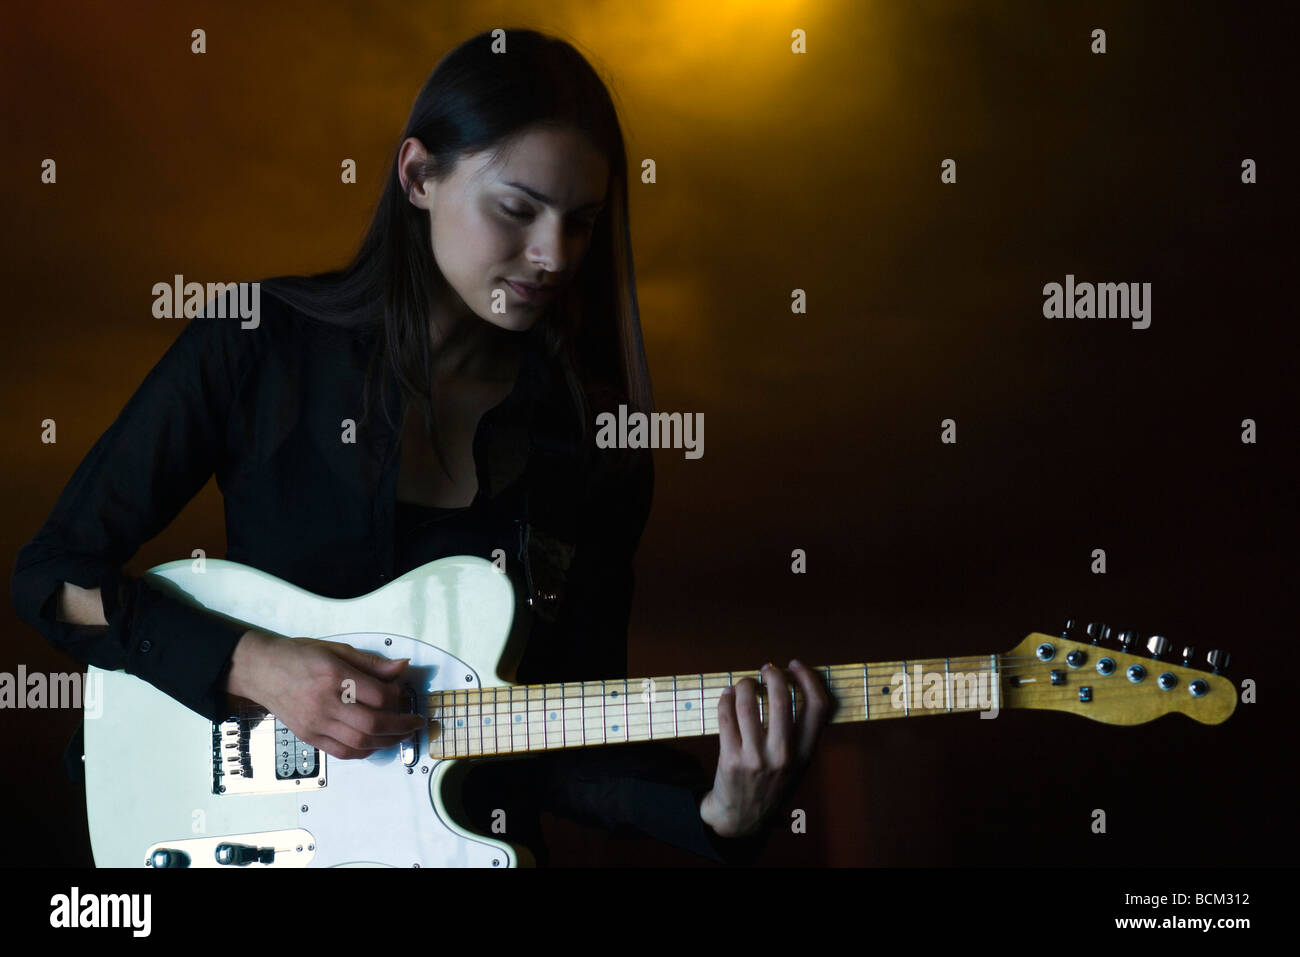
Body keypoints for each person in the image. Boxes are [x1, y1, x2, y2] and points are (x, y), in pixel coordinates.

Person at [11, 28, 830, 866]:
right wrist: (255, 664)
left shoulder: (592, 446)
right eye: (517, 208)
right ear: (418, 175)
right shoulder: (255, 344)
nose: (551, 255)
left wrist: (723, 811)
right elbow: (54, 578)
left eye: (579, 224)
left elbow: (564, 740)